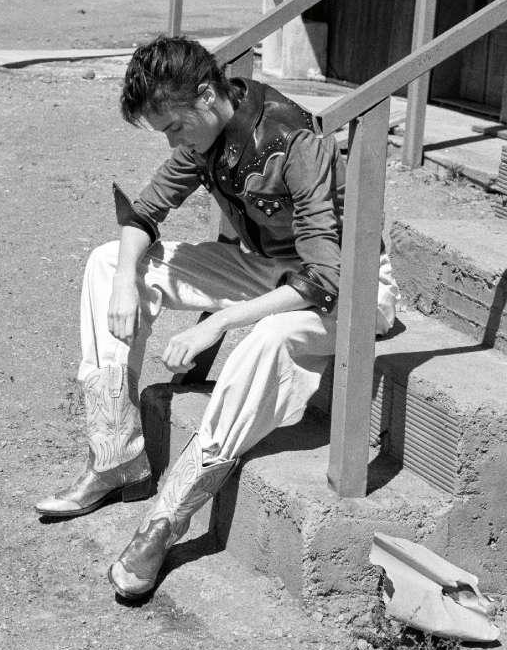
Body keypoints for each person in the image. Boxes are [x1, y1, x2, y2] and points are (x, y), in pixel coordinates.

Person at [37, 34, 400, 601]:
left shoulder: (295, 140)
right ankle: (115, 455)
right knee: (110, 261)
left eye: (174, 127)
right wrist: (129, 280)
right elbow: (145, 210)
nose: (172, 141)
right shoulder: (203, 133)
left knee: (269, 335)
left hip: (352, 287)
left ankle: (167, 518)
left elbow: (326, 278)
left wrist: (217, 324)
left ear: (206, 96)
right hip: (266, 269)